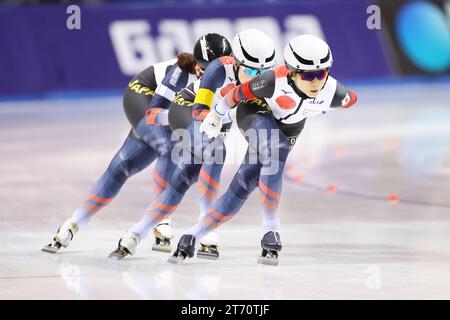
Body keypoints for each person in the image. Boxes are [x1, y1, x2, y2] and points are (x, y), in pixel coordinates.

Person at [172, 34, 358, 265]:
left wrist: (320, 108)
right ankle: (271, 229)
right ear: (290, 71)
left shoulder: (333, 92)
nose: (316, 82)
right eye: (308, 75)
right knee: (276, 149)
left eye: (321, 74)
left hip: (288, 130)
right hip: (254, 113)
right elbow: (236, 95)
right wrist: (217, 116)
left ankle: (193, 235)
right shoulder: (271, 81)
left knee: (245, 183)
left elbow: (352, 100)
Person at [42, 33, 232, 254]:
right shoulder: (180, 73)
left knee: (124, 167)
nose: (218, 76)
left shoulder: (229, 79)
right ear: (199, 68)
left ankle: (72, 223)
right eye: (211, 71)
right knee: (169, 147)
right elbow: (153, 113)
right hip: (142, 96)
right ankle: (162, 221)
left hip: (171, 110)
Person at [108, 28, 276, 260]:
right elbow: (200, 111)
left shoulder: (269, 80)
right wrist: (219, 116)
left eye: (263, 71)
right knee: (215, 151)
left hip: (215, 121)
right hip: (188, 110)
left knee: (183, 179)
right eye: (250, 70)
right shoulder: (217, 70)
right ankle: (204, 226)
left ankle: (135, 234)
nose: (257, 77)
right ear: (236, 62)